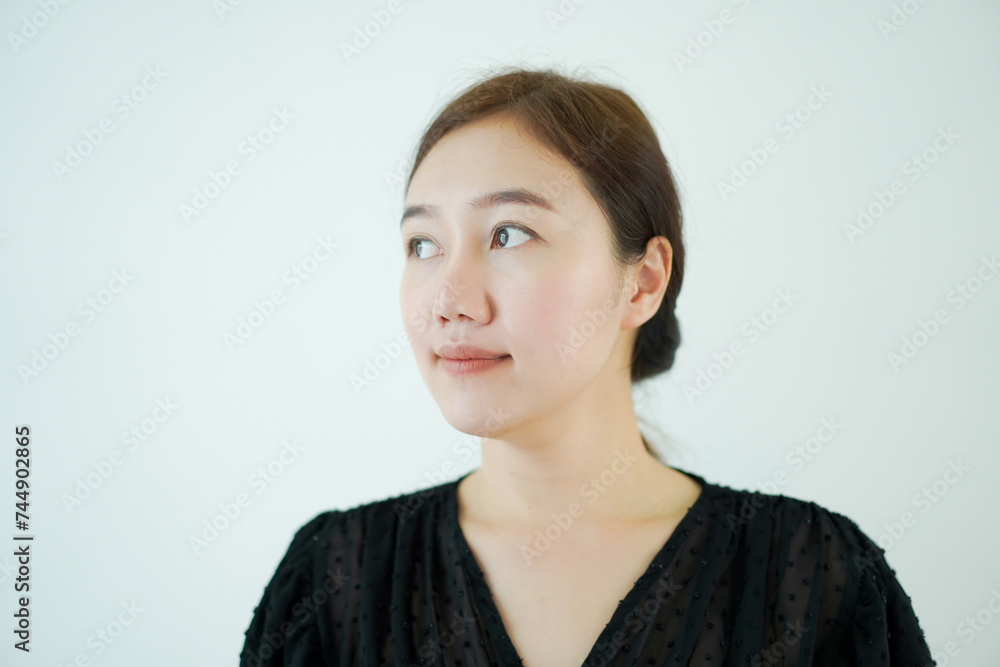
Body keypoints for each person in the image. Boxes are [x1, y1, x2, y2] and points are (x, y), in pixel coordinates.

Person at [240, 65, 935, 666]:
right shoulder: (335, 579)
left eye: (509, 233)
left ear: (642, 282)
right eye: (423, 244)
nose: (448, 301)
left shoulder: (816, 577)